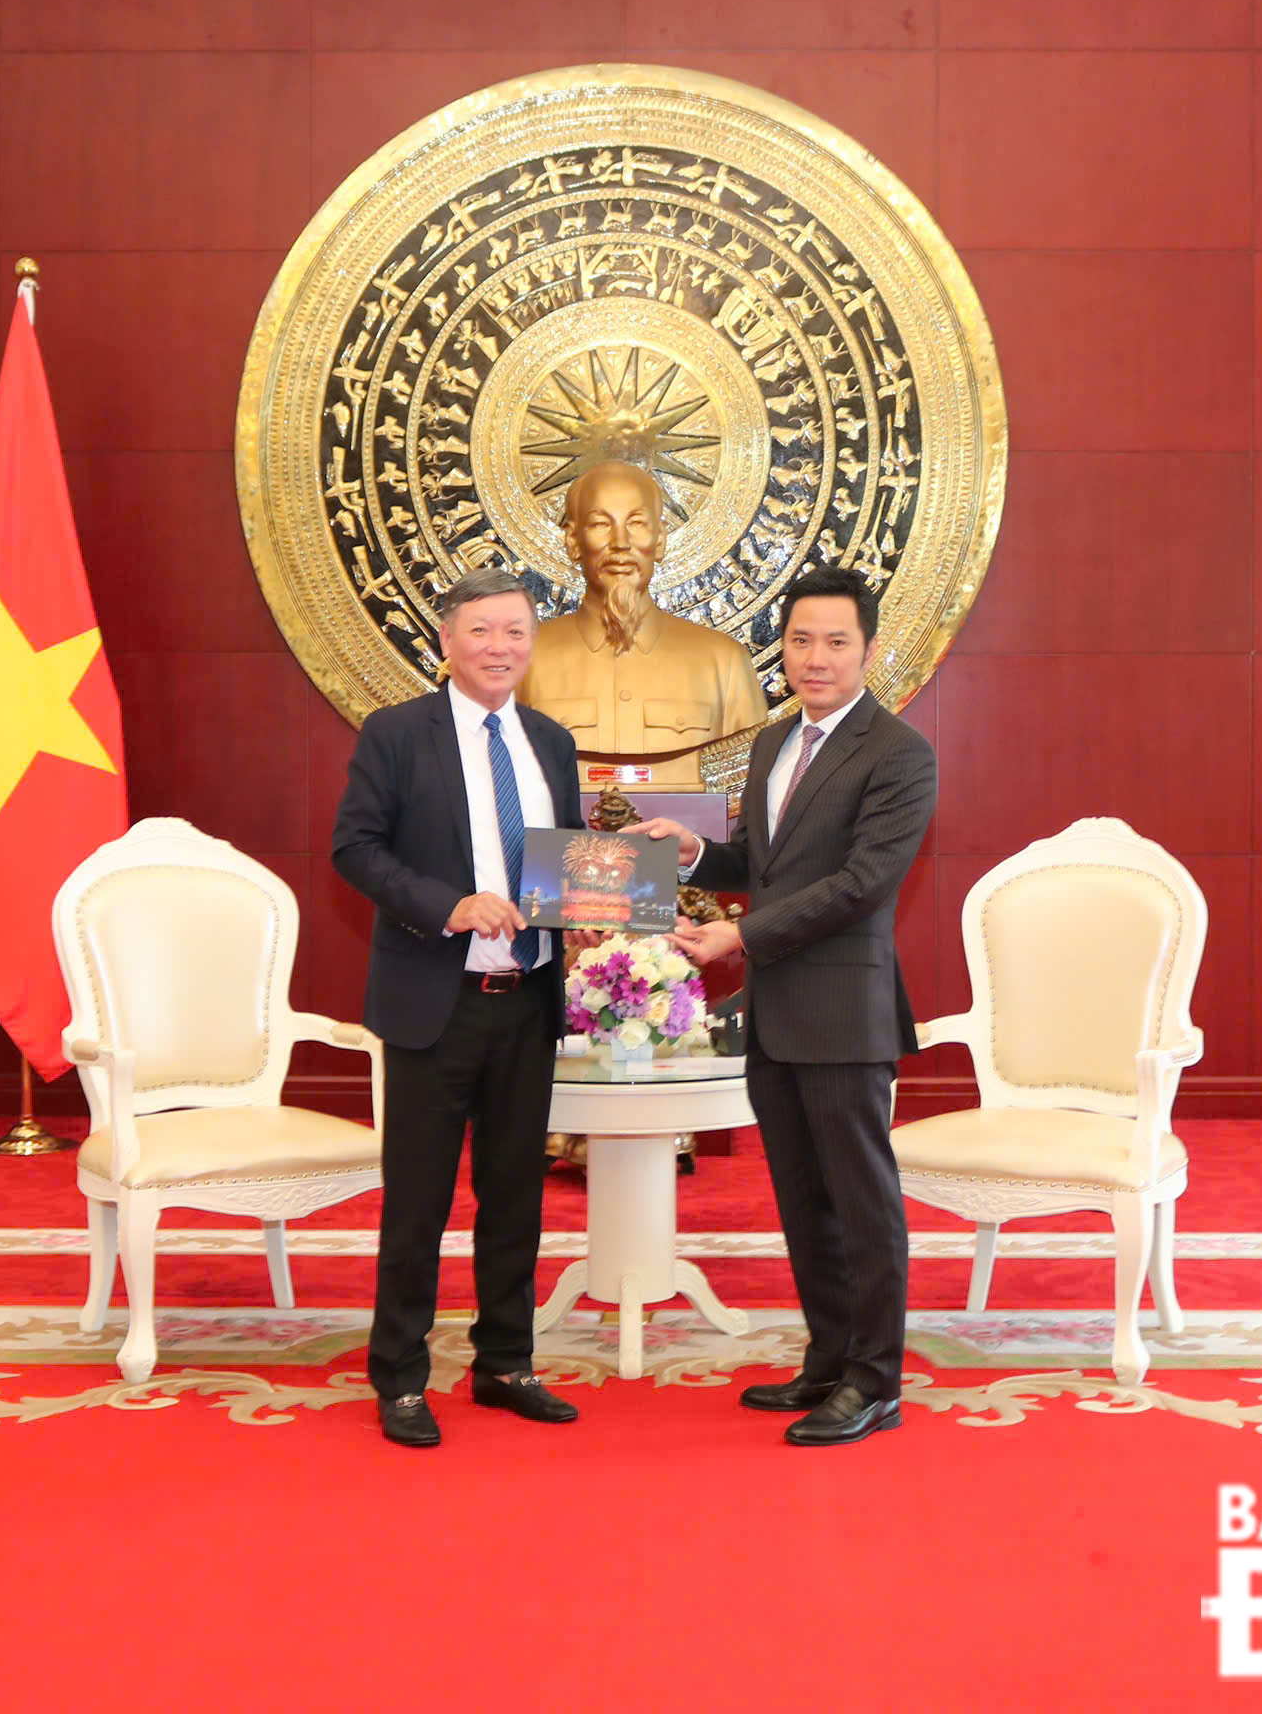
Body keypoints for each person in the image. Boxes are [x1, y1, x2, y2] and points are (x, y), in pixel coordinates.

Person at [635, 565, 936, 1446]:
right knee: (803, 1200)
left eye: (837, 642)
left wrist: (743, 938)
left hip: (844, 1012)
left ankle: (877, 1381)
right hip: (774, 1012)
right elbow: (764, 867)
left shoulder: (899, 754)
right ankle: (830, 1358)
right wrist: (696, 854)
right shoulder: (773, 745)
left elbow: (859, 884)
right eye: (801, 640)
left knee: (861, 1201)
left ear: (868, 651)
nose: (816, 658)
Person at [331, 568, 587, 1448]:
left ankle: (505, 1364)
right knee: (419, 1203)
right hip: (436, 1001)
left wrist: (595, 911)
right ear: (445, 638)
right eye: (482, 631)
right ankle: (400, 1377)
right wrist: (449, 904)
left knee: (515, 1195)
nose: (500, 648)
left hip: (528, 1000)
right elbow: (354, 848)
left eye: (515, 631)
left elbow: (563, 866)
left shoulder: (551, 742)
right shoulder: (397, 734)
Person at [519, 459, 770, 767]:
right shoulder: (523, 658)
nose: (620, 544)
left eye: (636, 523)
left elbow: (749, 787)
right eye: (600, 524)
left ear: (660, 540)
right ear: (573, 541)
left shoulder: (724, 662)